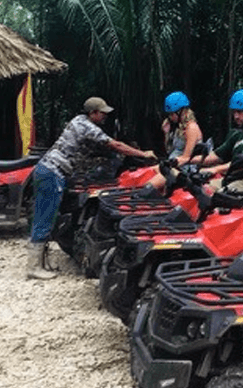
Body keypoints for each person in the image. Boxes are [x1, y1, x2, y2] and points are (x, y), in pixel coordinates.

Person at [26, 96, 156, 280]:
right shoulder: (86, 126)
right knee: (45, 217)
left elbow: (97, 148)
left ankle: (40, 263)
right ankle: (33, 267)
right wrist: (143, 154)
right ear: (92, 113)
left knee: (48, 217)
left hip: (49, 170)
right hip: (52, 173)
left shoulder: (78, 121)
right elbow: (115, 145)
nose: (105, 116)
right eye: (102, 113)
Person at [147, 91, 206, 192]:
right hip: (173, 165)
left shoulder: (191, 128)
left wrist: (168, 164)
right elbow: (170, 151)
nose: (170, 117)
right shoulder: (179, 127)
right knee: (148, 172)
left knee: (149, 186)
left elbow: (186, 157)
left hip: (184, 169)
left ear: (181, 111)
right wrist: (166, 133)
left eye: (172, 114)